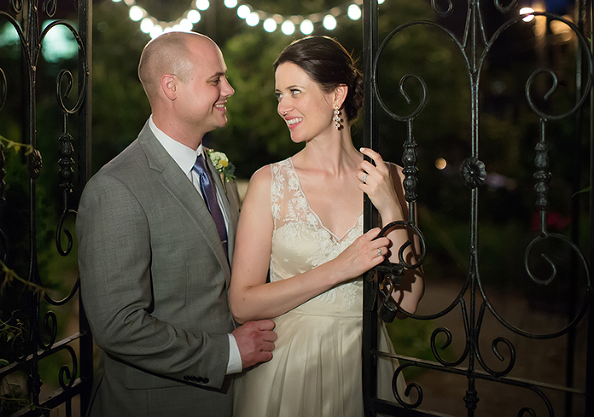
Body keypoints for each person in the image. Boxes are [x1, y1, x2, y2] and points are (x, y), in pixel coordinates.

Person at [77, 31, 277, 417]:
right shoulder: (116, 189)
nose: (229, 89)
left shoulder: (214, 169)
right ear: (171, 86)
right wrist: (229, 352)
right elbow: (118, 326)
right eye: (216, 79)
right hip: (159, 404)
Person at [229, 36, 424, 416]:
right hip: (287, 368)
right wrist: (339, 269)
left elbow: (409, 301)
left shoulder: (392, 178)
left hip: (364, 364)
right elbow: (242, 303)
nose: (283, 107)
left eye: (294, 92)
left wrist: (388, 204)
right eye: (279, 95)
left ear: (337, 95)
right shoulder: (269, 182)